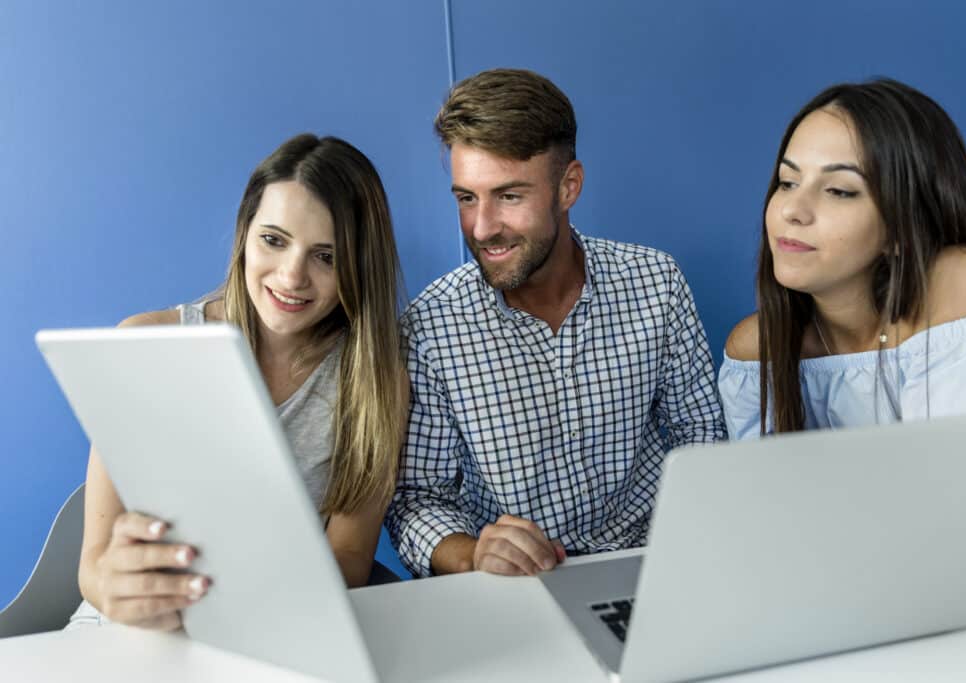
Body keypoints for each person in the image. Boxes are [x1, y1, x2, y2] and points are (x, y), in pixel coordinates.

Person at [385, 68, 725, 579]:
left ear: (568, 187)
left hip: (657, 567)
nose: (483, 227)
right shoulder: (430, 327)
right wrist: (474, 554)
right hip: (516, 590)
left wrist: (688, 554)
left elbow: (701, 438)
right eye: (466, 198)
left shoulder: (657, 282)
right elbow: (416, 500)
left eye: (510, 196)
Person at [71, 134, 408, 630]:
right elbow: (94, 568)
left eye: (327, 257)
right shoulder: (144, 344)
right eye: (274, 240)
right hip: (129, 632)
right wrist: (122, 594)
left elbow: (349, 562)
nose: (292, 277)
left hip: (278, 627)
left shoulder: (375, 383)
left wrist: (236, 612)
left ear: (358, 266)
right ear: (244, 234)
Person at [719, 78, 966, 439]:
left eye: (839, 190)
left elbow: (962, 482)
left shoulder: (960, 283)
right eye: (788, 182)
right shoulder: (757, 350)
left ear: (901, 227)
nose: (793, 211)